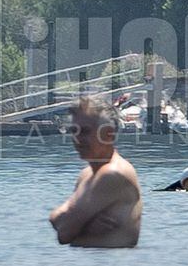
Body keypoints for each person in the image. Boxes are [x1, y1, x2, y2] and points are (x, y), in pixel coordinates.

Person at [49, 96, 142, 248]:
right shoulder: (87, 174)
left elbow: (64, 233)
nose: (77, 138)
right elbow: (55, 217)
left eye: (85, 131)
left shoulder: (112, 174)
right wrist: (86, 223)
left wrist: (75, 224)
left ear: (108, 134)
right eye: (74, 131)